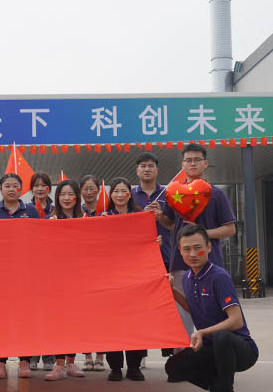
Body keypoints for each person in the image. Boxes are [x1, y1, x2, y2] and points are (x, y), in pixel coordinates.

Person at [159, 143, 237, 351]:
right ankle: (183, 356)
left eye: (197, 160)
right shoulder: (173, 192)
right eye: (188, 160)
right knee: (181, 315)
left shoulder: (216, 194)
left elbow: (230, 229)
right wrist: (159, 217)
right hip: (179, 262)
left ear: (205, 163)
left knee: (212, 311)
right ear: (182, 164)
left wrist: (202, 233)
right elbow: (170, 224)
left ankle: (213, 354)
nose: (192, 164)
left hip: (210, 263)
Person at [165, 225, 258, 392]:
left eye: (198, 248)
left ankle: (224, 387)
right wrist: (172, 290)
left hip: (238, 348)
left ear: (208, 247)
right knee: (173, 367)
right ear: (180, 251)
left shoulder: (219, 277)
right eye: (187, 249)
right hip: (210, 347)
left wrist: (202, 332)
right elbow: (192, 308)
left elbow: (236, 321)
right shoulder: (187, 277)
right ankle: (216, 385)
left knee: (222, 337)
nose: (192, 254)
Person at [0, 173, 40, 379]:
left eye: (15, 186)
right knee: (0, 318)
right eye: (7, 186)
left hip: (25, 272)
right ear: (0, 189)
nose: (11, 189)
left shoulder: (31, 210)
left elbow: (39, 237)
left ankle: (24, 360)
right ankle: (0, 362)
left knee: (24, 317)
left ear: (21, 189)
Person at [99, 178, 147, 382]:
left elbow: (145, 243)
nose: (120, 195)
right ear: (111, 195)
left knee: (136, 323)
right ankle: (115, 367)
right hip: (110, 277)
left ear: (130, 194)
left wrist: (154, 241)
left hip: (136, 277)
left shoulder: (140, 216)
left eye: (124, 191)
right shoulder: (104, 217)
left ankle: (134, 367)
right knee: (113, 324)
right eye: (116, 191)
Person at [132, 153, 174, 358]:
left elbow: (172, 225)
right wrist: (142, 217)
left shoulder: (169, 194)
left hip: (164, 256)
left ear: (157, 170)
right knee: (140, 308)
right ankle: (140, 354)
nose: (147, 169)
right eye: (143, 166)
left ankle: (169, 351)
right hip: (137, 260)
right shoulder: (130, 194)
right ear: (137, 170)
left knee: (165, 305)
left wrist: (161, 217)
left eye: (150, 166)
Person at [43, 179, 85, 381]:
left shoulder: (85, 218)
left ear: (77, 197)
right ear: (57, 197)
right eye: (62, 194)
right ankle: (58, 364)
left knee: (75, 321)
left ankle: (70, 362)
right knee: (58, 321)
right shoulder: (49, 219)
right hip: (55, 279)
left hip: (79, 278)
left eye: (70, 194)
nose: (66, 198)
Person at [28, 172, 55, 370]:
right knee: (32, 314)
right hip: (30, 267)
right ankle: (32, 355)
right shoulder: (26, 209)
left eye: (43, 185)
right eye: (36, 185)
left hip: (52, 267)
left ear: (49, 188)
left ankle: (49, 356)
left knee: (50, 314)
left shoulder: (57, 208)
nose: (40, 189)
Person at [78, 175, 106, 370]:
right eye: (85, 189)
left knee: (101, 314)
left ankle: (101, 356)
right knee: (84, 315)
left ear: (98, 190)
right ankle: (87, 355)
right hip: (80, 269)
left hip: (102, 268)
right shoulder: (77, 211)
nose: (89, 193)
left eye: (92, 189)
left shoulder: (106, 210)